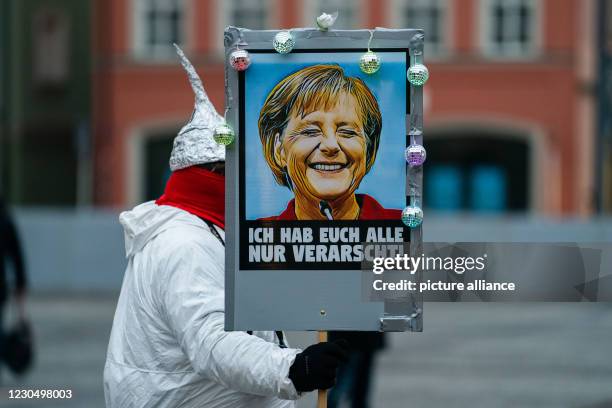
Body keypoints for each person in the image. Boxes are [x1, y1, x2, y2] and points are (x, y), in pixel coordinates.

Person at [103, 46, 348, 408]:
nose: (247, 185)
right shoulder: (184, 244)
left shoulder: (207, 230)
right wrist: (293, 368)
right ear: (213, 176)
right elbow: (212, 341)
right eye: (237, 173)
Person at [257, 64, 400, 221]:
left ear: (368, 148)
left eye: (347, 132)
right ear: (279, 150)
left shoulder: (404, 228)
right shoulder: (254, 239)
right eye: (310, 132)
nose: (331, 145)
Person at [0, 195, 27, 378]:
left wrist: (20, 283)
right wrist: (20, 284)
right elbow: (16, 255)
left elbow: (16, 255)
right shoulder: (5, 217)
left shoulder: (5, 218)